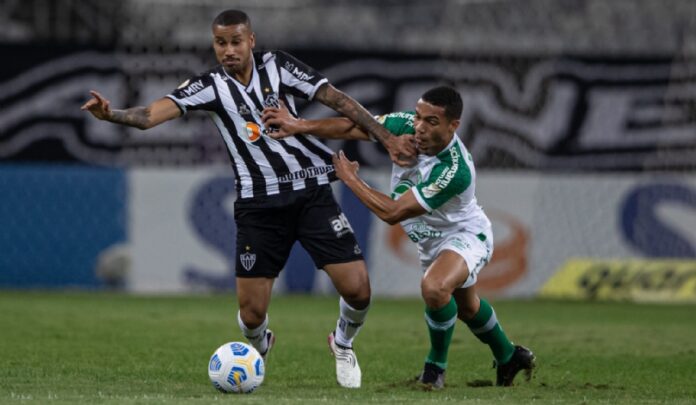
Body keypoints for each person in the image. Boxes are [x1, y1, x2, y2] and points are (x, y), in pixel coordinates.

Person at [81, 9, 415, 389]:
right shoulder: (209, 86)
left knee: (358, 290)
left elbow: (338, 100)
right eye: (220, 43)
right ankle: (260, 344)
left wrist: (386, 139)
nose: (228, 50)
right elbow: (149, 115)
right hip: (258, 206)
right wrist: (111, 115)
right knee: (252, 313)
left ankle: (343, 343)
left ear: (250, 41)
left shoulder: (279, 66)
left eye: (235, 42)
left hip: (311, 191)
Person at [262, 86, 536, 389]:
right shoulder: (406, 125)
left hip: (465, 235)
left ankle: (434, 369)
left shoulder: (454, 169)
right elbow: (355, 126)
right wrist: (298, 125)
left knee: (435, 288)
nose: (419, 127)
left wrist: (350, 179)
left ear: (453, 126)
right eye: (418, 116)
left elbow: (392, 212)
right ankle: (509, 356)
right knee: (468, 308)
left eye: (431, 121)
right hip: (430, 241)